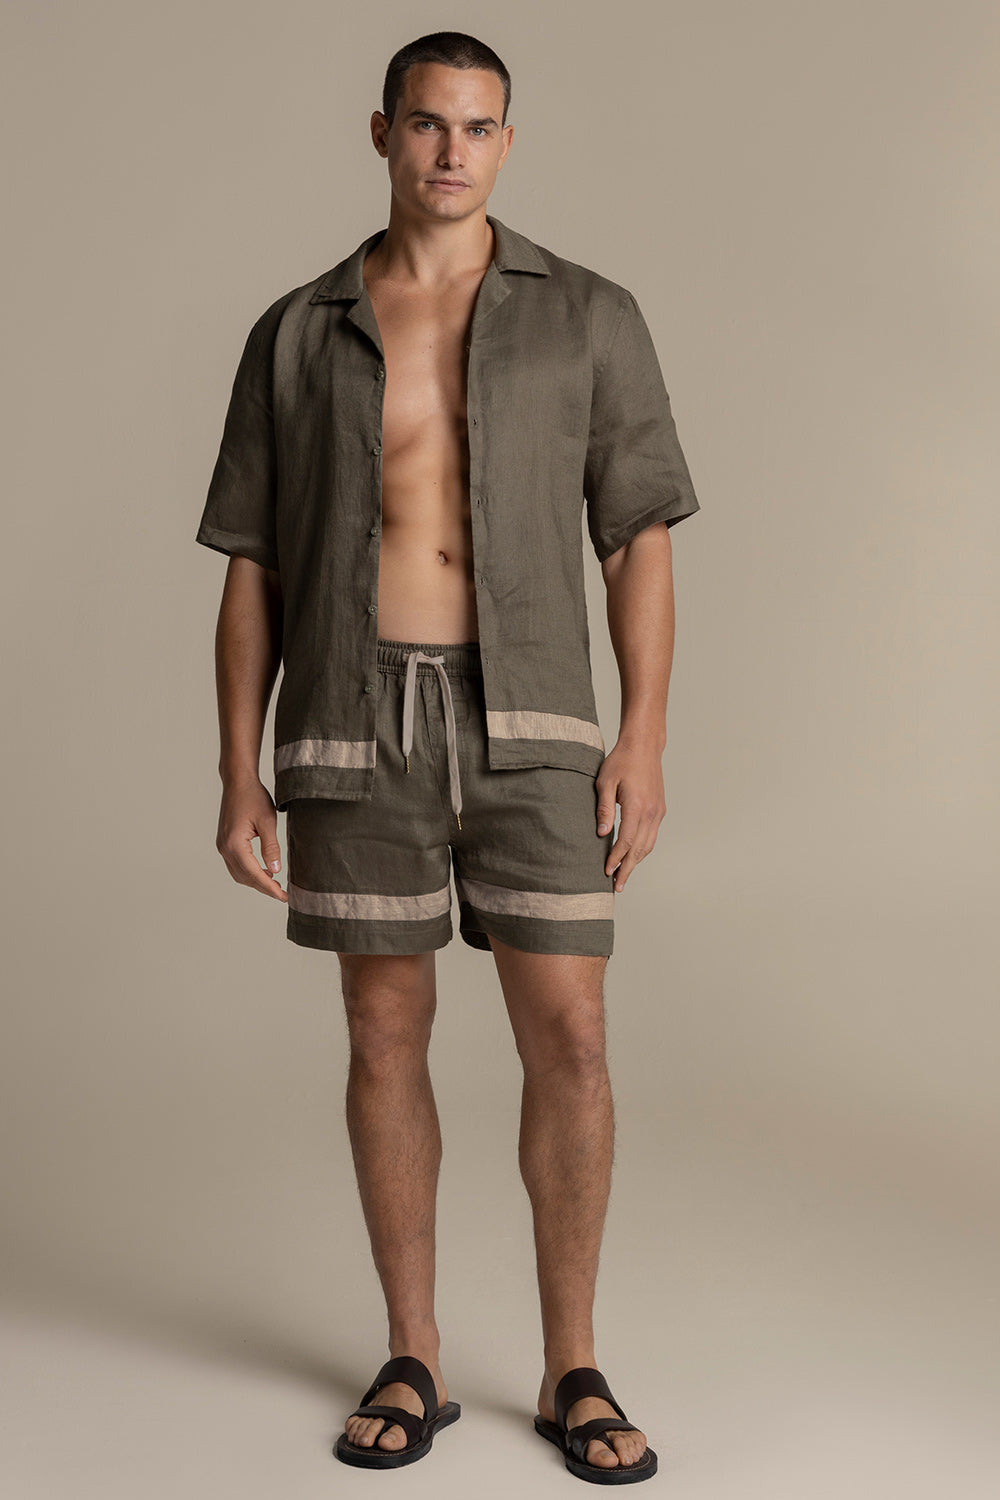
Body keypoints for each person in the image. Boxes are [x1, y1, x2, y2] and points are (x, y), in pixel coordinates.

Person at [195, 29, 699, 1485]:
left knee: (574, 1040)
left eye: (479, 127)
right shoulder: (298, 331)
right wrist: (238, 769)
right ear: (383, 133)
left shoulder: (588, 315)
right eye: (427, 124)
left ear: (508, 142)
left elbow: (638, 536)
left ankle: (572, 1365)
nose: (452, 152)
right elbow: (251, 566)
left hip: (535, 723)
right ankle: (411, 1353)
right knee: (383, 1036)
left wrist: (644, 735)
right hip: (354, 720)